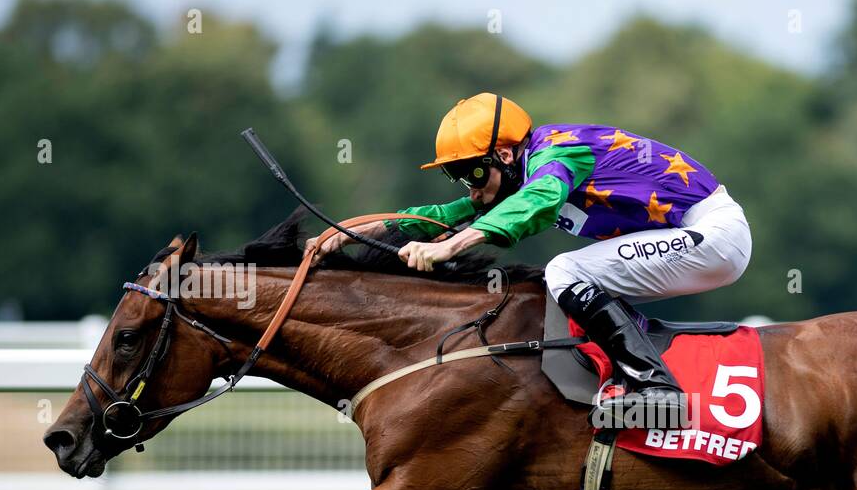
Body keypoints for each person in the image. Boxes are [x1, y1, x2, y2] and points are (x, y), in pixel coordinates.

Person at [306, 92, 752, 428]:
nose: (472, 190)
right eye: (458, 177)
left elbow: (540, 201)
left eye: (474, 173)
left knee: (565, 271)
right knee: (568, 279)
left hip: (713, 233)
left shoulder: (557, 152)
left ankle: (656, 389)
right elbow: (447, 217)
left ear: (504, 154)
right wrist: (348, 234)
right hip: (692, 237)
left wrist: (449, 249)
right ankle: (624, 375)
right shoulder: (521, 171)